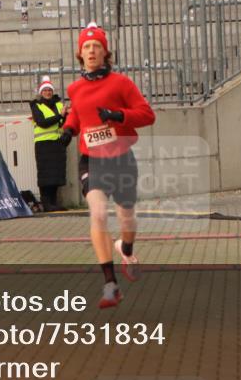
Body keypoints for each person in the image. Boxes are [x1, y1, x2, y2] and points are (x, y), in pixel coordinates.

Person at [60, 23, 155, 309]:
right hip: (93, 160)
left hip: (121, 158)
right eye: (86, 47)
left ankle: (126, 248)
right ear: (80, 53)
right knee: (98, 213)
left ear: (105, 53)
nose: (91, 50)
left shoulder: (121, 83)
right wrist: (67, 130)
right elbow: (78, 115)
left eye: (96, 46)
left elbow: (147, 115)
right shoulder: (74, 88)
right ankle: (110, 285)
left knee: (126, 219)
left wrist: (117, 114)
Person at [29, 75, 68, 213]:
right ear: (41, 92)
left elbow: (64, 123)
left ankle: (54, 203)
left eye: (49, 90)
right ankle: (46, 203)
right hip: (43, 144)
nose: (48, 92)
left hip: (57, 143)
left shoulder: (59, 104)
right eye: (45, 90)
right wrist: (60, 116)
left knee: (56, 174)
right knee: (45, 175)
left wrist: (64, 120)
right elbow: (42, 123)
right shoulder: (36, 105)